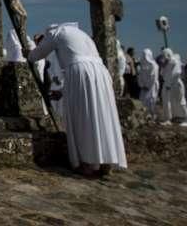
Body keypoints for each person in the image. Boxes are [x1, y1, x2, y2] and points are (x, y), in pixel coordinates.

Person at [28, 22, 126, 176]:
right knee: (102, 115)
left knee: (83, 118)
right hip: (101, 73)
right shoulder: (82, 35)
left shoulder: (56, 33)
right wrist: (62, 91)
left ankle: (87, 163)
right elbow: (83, 65)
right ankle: (106, 160)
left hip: (79, 72)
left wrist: (27, 53)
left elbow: (36, 55)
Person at [160, 48, 187, 126]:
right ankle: (169, 118)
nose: (164, 57)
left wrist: (169, 84)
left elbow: (175, 73)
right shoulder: (167, 63)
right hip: (168, 85)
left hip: (176, 84)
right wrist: (163, 66)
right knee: (168, 102)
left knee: (181, 101)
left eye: (165, 55)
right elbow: (163, 74)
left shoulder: (174, 62)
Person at [137, 48, 160, 118]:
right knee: (142, 101)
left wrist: (147, 85)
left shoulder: (154, 65)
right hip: (143, 87)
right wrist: (141, 85)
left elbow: (153, 77)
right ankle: (145, 116)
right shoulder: (142, 65)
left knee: (151, 100)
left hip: (151, 87)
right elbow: (139, 76)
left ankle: (152, 115)